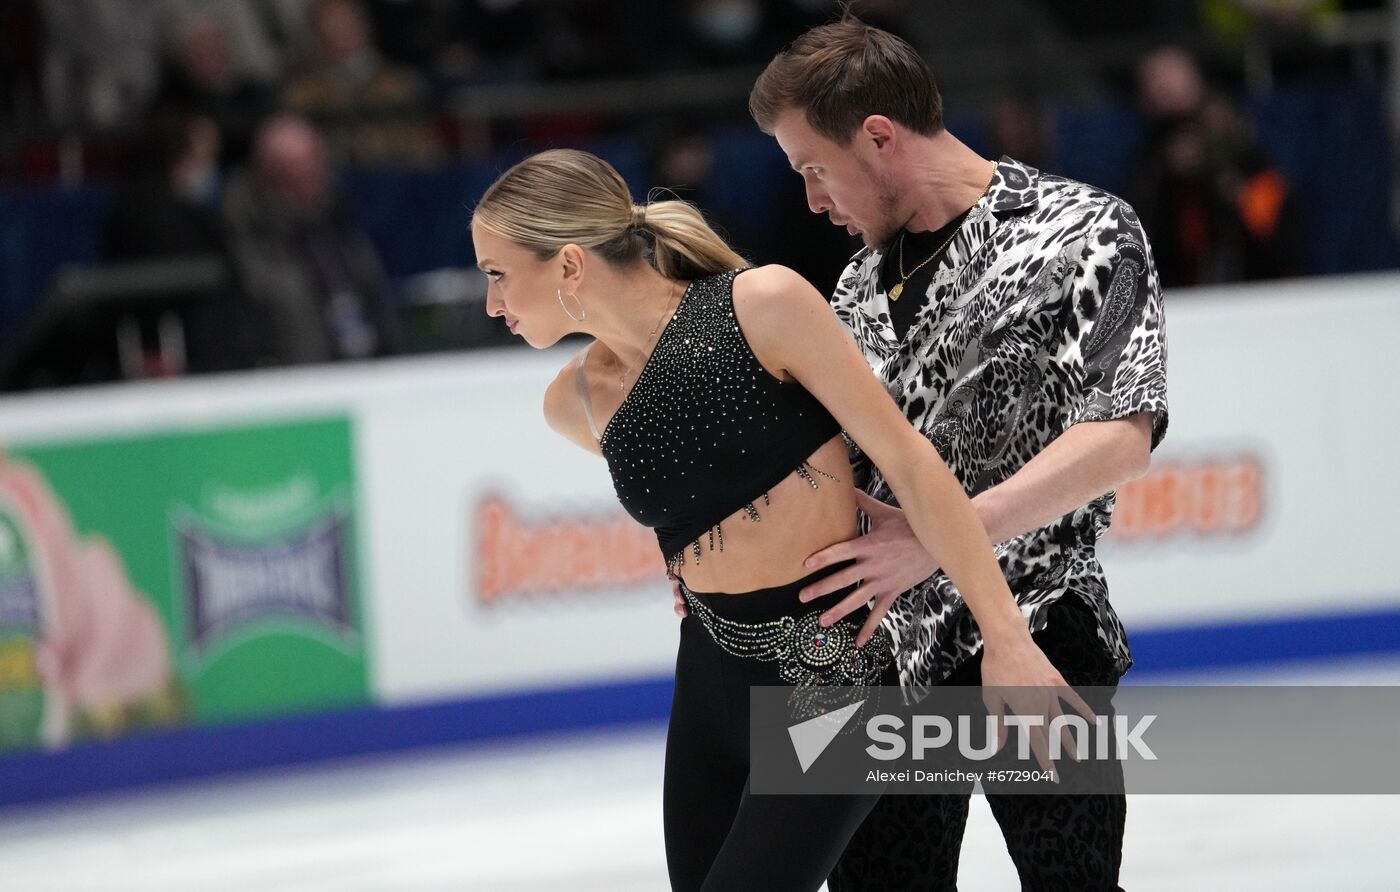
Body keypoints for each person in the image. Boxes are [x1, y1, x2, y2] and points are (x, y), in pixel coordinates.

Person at [470, 148, 1092, 892]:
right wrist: (695, 571)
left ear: (570, 266)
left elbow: (912, 465)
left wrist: (1006, 638)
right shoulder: (573, 402)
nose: (491, 303)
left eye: (497, 273)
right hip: (707, 684)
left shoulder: (761, 307)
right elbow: (694, 496)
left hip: (833, 673)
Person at [729, 16, 1169, 891]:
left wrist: (939, 536)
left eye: (815, 167)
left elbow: (1120, 435)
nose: (812, 199)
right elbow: (830, 467)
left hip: (1039, 624)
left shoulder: (1084, 231)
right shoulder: (854, 285)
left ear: (880, 137)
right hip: (881, 652)